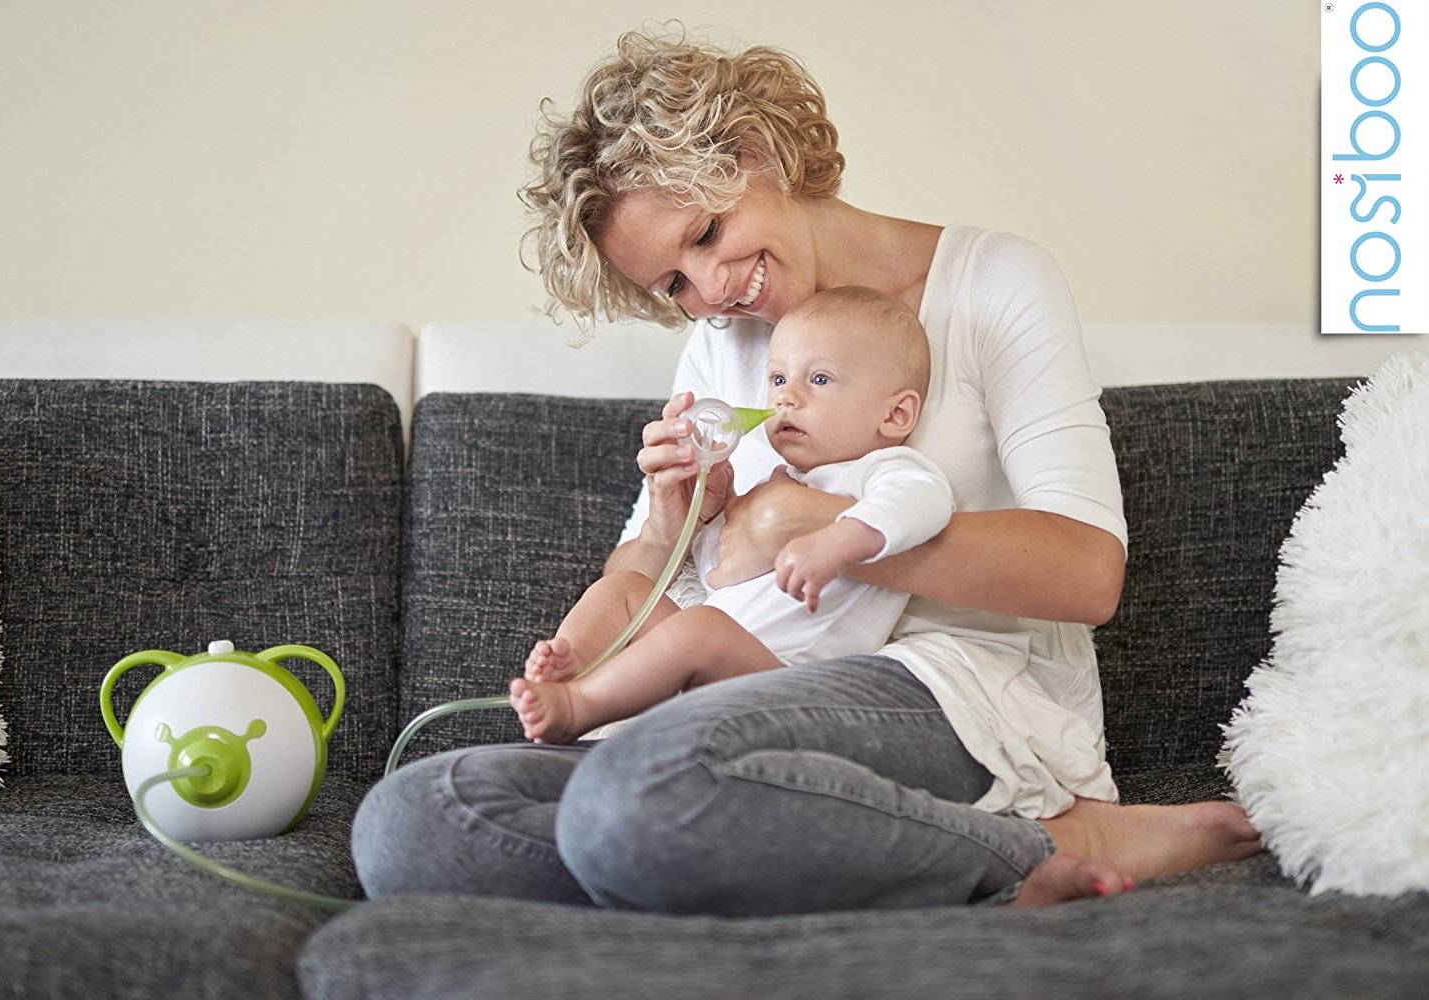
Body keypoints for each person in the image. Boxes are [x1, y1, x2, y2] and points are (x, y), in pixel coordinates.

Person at [352, 27, 1263, 914]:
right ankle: (753, 848)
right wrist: (675, 520)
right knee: (414, 821)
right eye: (672, 283)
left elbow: (1087, 573)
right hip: (738, 692)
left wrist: (802, 525)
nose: (709, 291)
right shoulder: (724, 342)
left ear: (760, 151)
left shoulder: (992, 284)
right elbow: (644, 579)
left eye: (707, 232)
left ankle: (1053, 840)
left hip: (945, 686)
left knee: (636, 793)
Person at [511, 285, 955, 745]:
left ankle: (578, 710)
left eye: (819, 380)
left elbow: (925, 503)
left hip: (794, 688)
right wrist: (710, 517)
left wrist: (838, 539)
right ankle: (574, 667)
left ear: (896, 414)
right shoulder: (783, 481)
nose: (786, 398)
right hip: (720, 667)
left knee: (699, 628)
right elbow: (717, 578)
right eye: (778, 379)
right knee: (625, 590)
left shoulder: (882, 470)